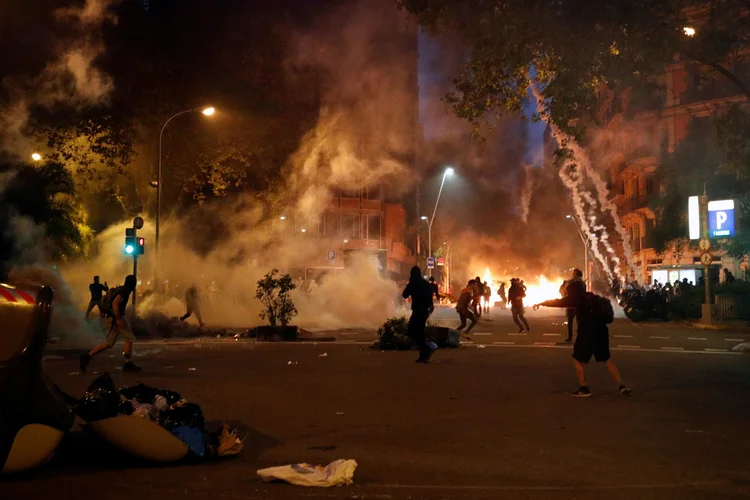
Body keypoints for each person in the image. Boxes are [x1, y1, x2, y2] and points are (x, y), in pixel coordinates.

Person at [534, 282, 631, 398]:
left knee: (577, 358)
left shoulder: (577, 299)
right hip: (602, 332)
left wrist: (542, 303)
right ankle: (622, 385)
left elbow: (559, 302)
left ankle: (584, 387)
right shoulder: (594, 297)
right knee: (607, 359)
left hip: (586, 333)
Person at [80, 275, 141, 373]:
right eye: (135, 282)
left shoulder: (121, 288)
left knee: (109, 343)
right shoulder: (124, 291)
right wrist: (118, 318)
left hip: (111, 317)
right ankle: (127, 363)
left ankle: (87, 356)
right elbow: (115, 303)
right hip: (116, 317)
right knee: (129, 337)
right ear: (132, 283)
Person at [402, 266, 436, 363]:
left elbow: (404, 294)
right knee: (420, 333)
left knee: (411, 332)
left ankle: (427, 348)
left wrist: (410, 285)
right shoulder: (425, 283)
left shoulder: (413, 283)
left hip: (417, 310)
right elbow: (430, 298)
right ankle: (423, 355)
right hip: (424, 311)